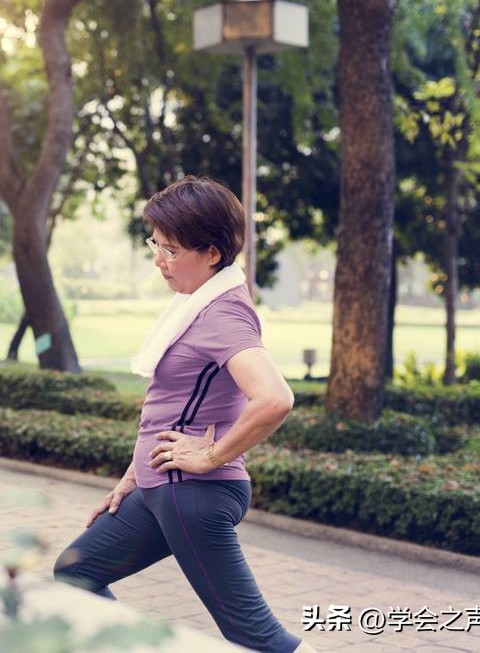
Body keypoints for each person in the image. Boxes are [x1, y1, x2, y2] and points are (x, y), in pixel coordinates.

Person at [53, 177, 312, 652]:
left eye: (170, 249)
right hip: (160, 488)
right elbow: (171, 406)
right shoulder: (194, 305)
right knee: (76, 571)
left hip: (193, 495)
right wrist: (132, 474)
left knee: (255, 636)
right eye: (157, 244)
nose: (158, 259)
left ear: (211, 253)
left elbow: (275, 398)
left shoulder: (222, 315)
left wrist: (211, 455)